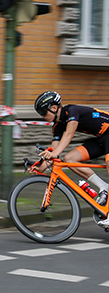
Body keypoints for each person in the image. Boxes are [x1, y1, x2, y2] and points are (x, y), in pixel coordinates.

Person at [33, 90, 109, 227]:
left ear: (54, 108)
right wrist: (40, 168)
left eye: (44, 113)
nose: (43, 116)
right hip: (102, 138)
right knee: (70, 159)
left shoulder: (72, 111)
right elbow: (54, 151)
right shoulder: (57, 125)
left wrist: (54, 153)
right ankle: (104, 187)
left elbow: (69, 135)